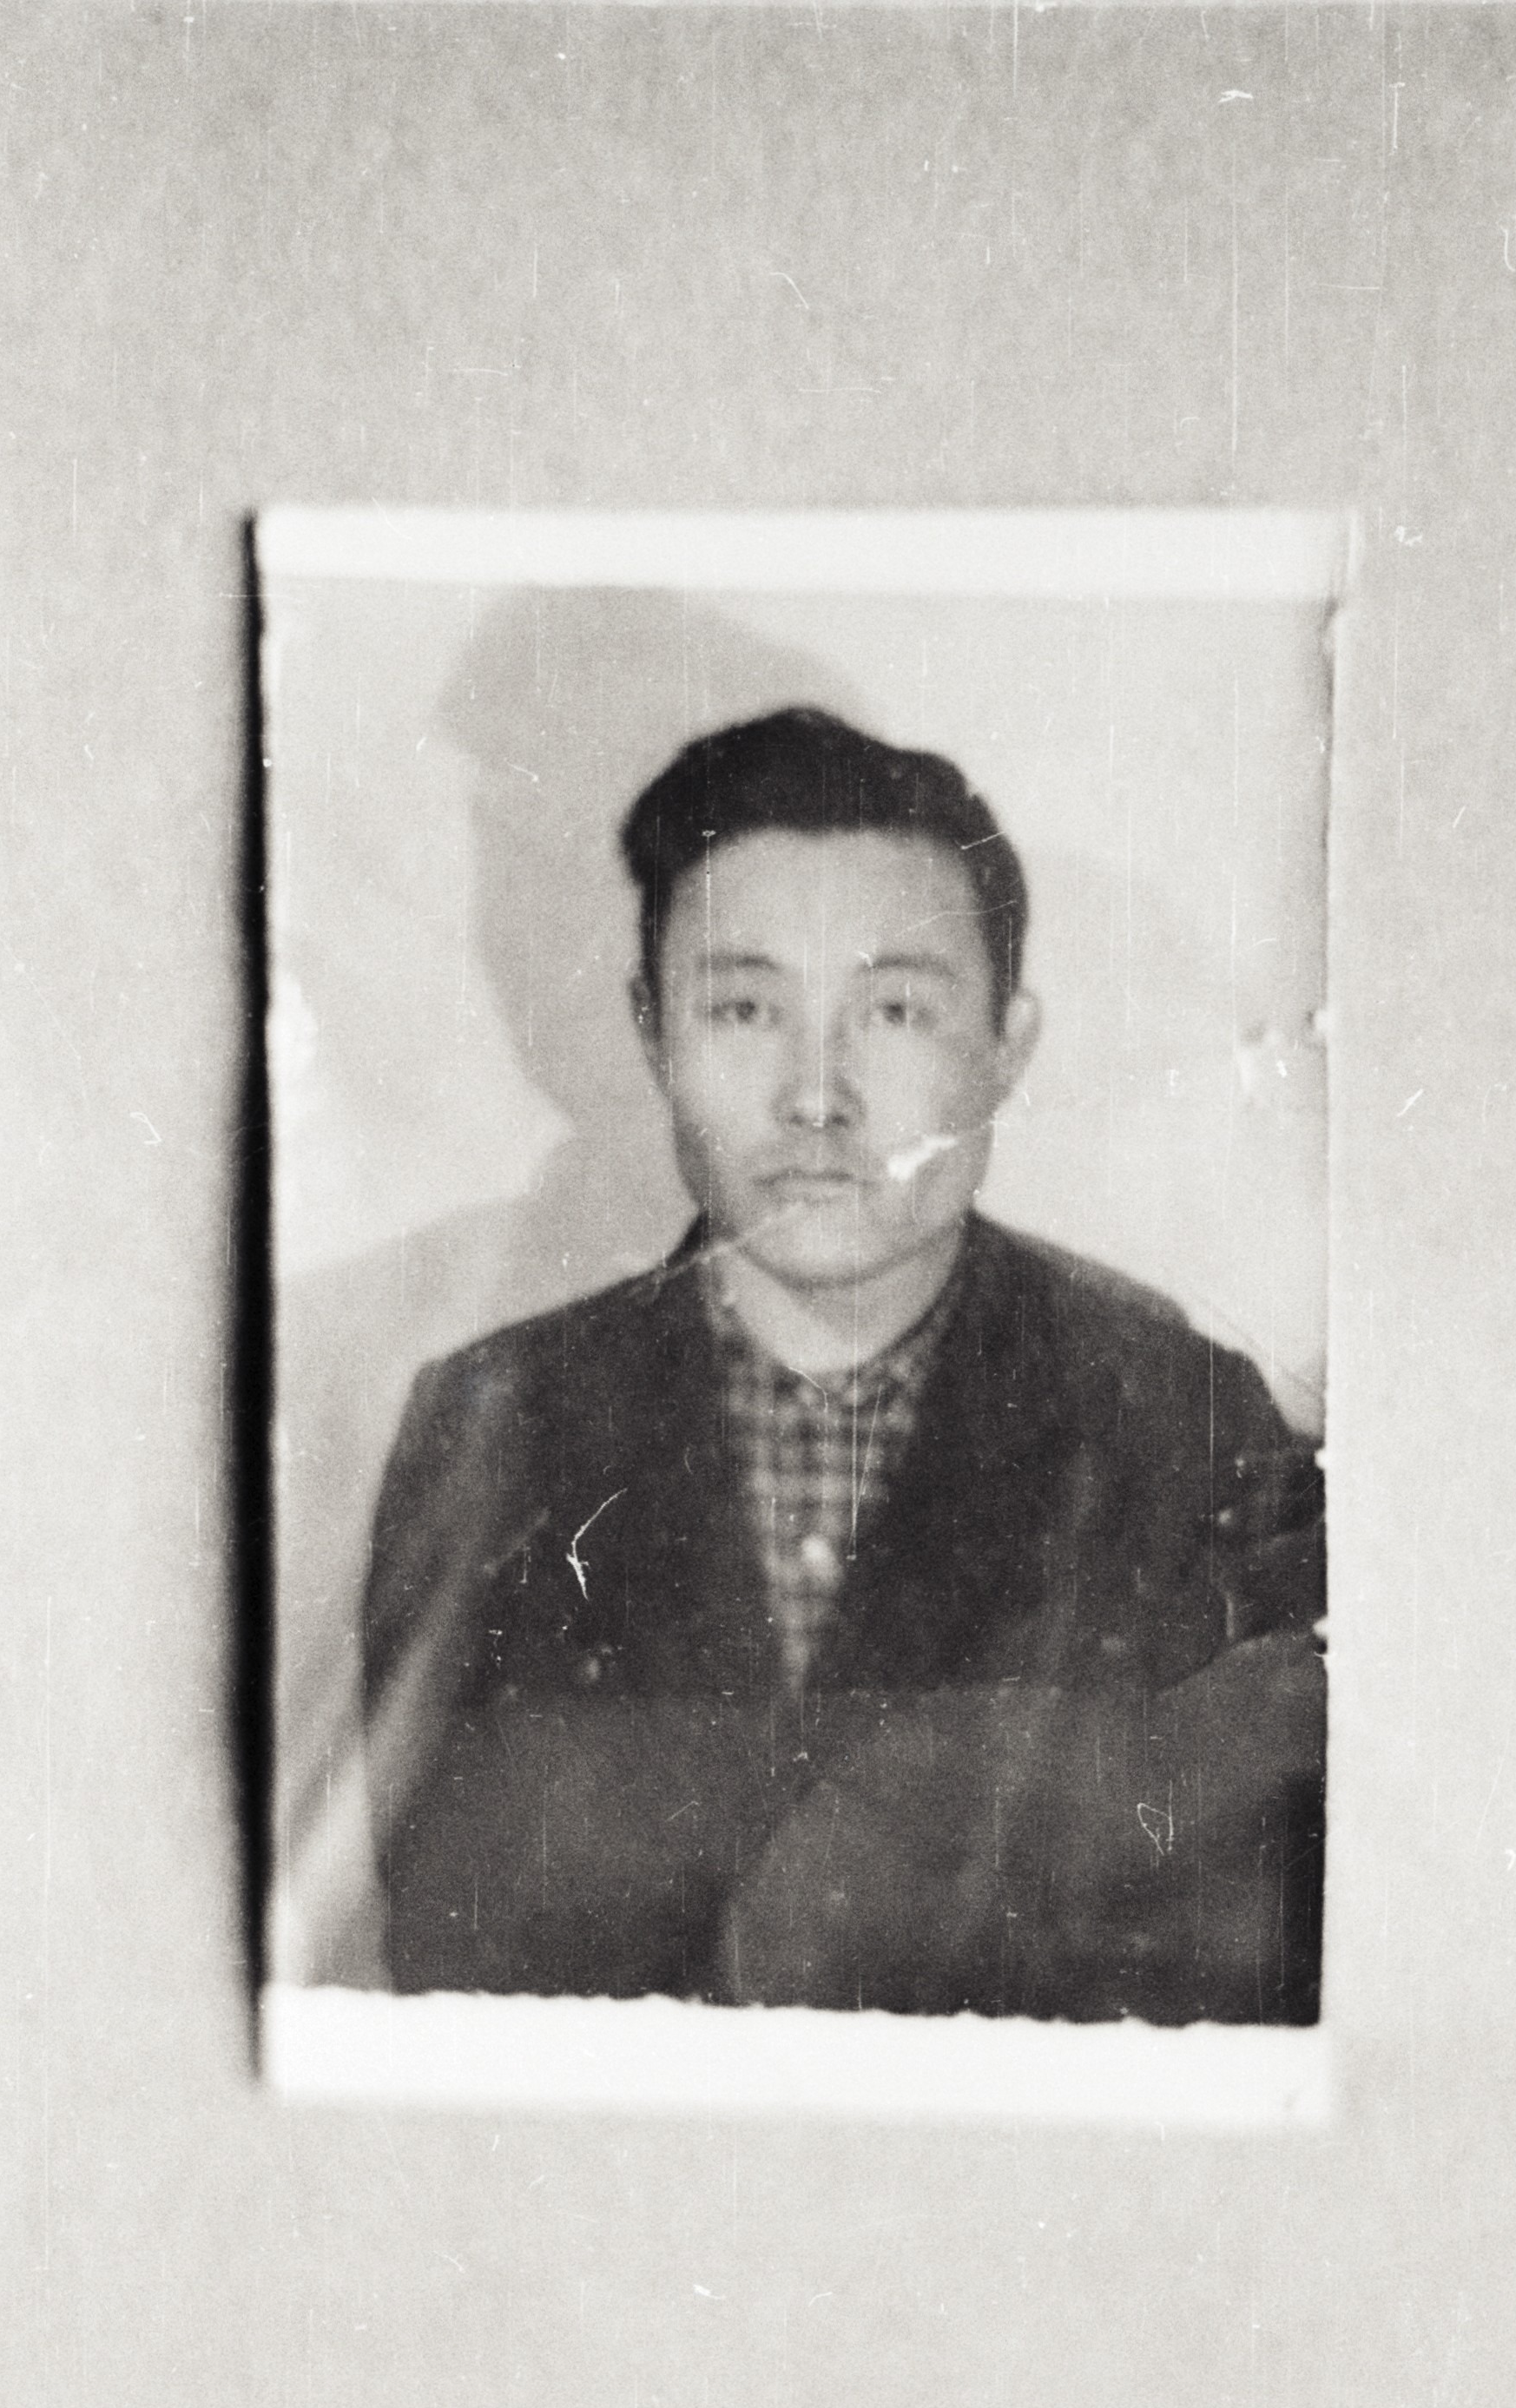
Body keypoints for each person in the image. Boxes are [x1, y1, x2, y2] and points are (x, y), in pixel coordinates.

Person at [363, 706, 1325, 2023]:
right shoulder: (494, 1424)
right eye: (745, 1007)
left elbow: (1250, 1973)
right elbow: (446, 1974)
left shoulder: (1187, 1423)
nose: (817, 1096)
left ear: (1006, 1048)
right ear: (653, 1033)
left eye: (896, 1010)